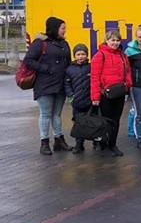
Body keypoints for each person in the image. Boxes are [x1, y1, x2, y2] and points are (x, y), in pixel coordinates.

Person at [24, 16, 73, 155]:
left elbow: (68, 61)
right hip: (44, 85)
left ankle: (58, 139)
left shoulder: (64, 44)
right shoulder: (40, 43)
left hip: (60, 84)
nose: (65, 30)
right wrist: (46, 68)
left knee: (57, 114)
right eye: (63, 28)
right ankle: (44, 142)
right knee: (45, 114)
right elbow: (29, 59)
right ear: (55, 28)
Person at [90, 29, 133, 157]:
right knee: (106, 121)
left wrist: (127, 84)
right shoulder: (100, 55)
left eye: (117, 40)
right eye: (112, 40)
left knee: (116, 120)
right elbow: (94, 77)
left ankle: (113, 144)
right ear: (107, 40)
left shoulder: (122, 55)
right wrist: (95, 97)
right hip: (105, 95)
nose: (115, 43)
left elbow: (128, 72)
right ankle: (104, 143)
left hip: (119, 93)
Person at [64, 43, 92, 154]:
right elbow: (67, 84)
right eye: (78, 54)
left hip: (90, 101)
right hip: (77, 102)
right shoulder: (70, 69)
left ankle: (97, 142)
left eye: (83, 54)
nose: (81, 57)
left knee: (93, 122)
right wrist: (71, 95)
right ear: (75, 56)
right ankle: (79, 144)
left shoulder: (91, 67)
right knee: (78, 123)